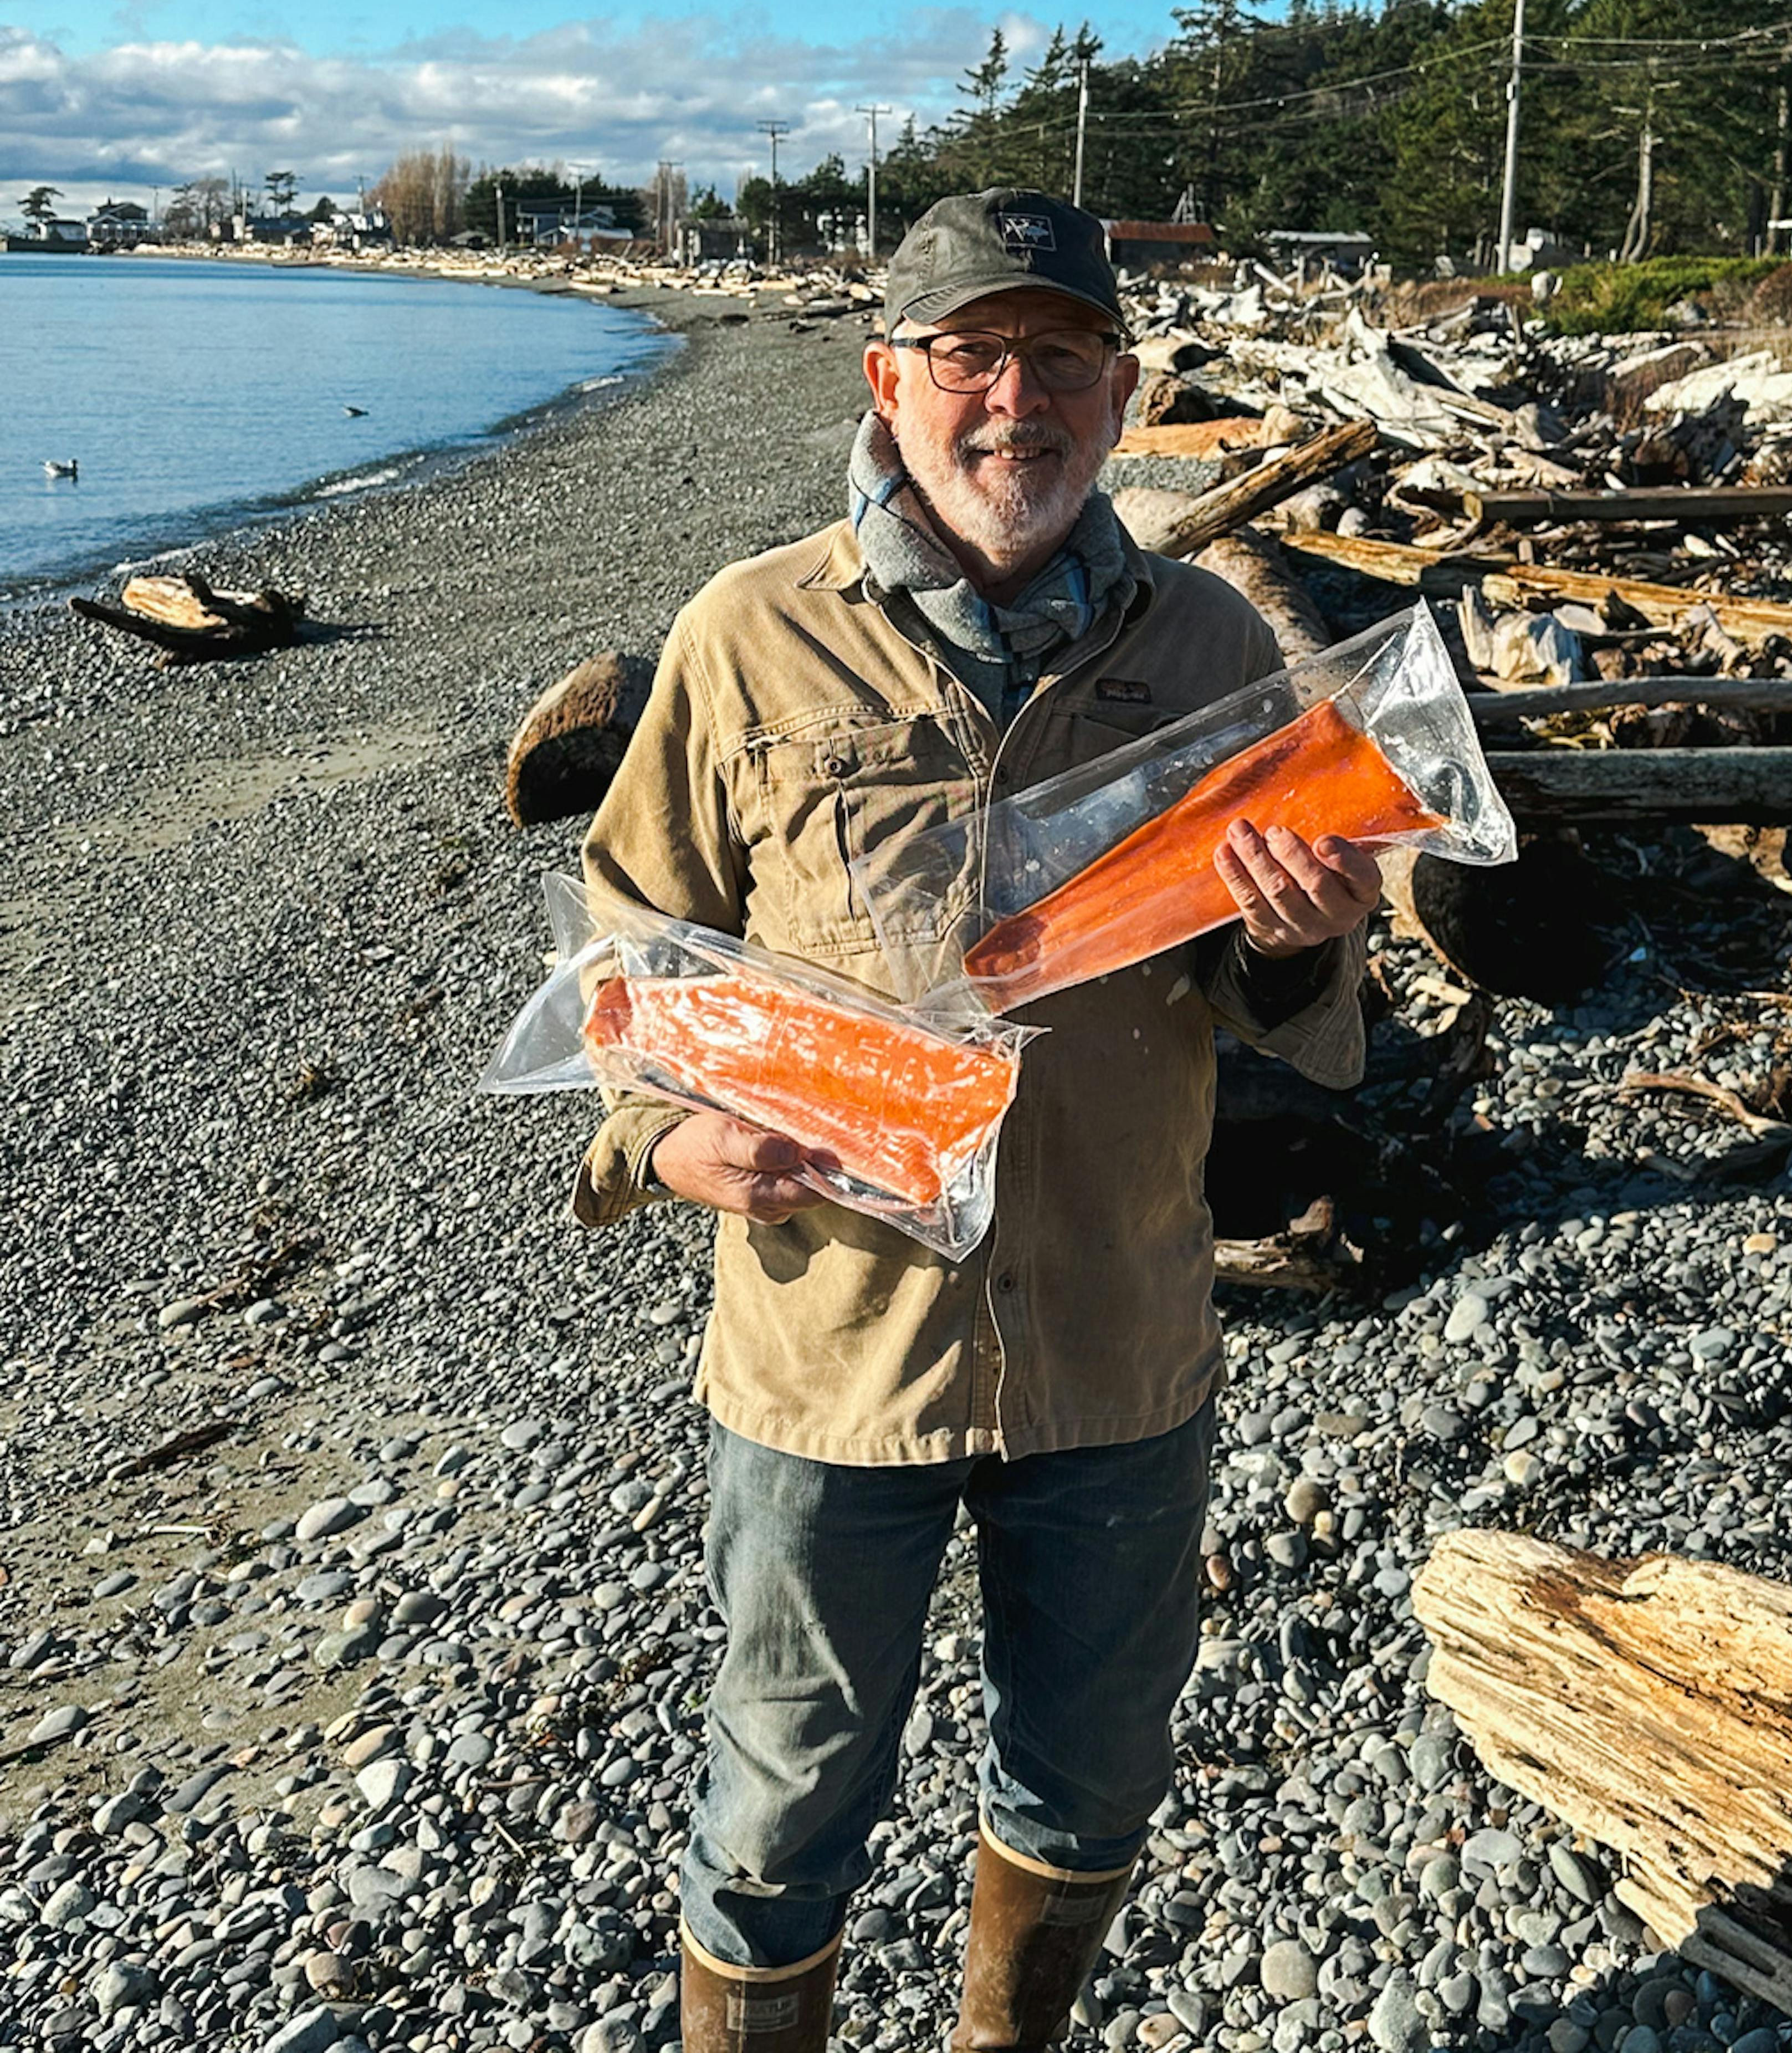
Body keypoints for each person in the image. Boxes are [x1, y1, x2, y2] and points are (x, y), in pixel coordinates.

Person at [574, 187, 1380, 2051]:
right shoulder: (749, 635)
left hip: (1118, 1342)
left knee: (1092, 1785)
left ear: (1121, 395)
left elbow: (1286, 1013)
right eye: (973, 353)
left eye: (1061, 356)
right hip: (831, 1355)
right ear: (889, 380)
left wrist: (1301, 939)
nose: (1015, 397)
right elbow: (633, 948)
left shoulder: (1207, 654)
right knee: (780, 1815)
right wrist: (659, 1138)